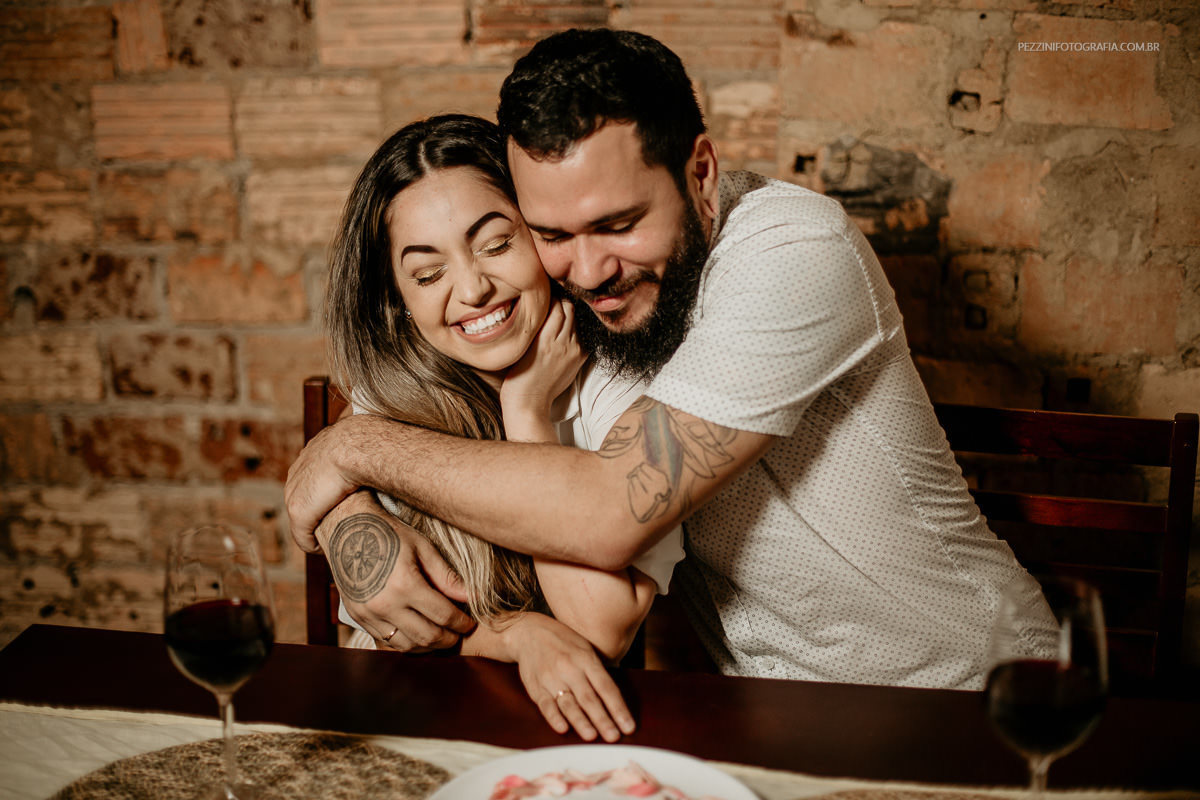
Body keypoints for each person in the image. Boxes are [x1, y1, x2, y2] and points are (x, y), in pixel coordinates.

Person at [287, 29, 1054, 690]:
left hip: (969, 687)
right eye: (552, 235)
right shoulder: (591, 318)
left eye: (618, 223)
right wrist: (349, 503)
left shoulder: (792, 251)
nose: (587, 272)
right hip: (769, 708)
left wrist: (347, 450)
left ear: (702, 172)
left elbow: (607, 512)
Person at [317, 112, 683, 741]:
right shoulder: (385, 406)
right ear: (395, 299)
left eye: (495, 244)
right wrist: (521, 635)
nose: (473, 288)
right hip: (409, 720)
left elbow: (602, 627)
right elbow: (395, 623)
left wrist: (526, 412)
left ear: (542, 236)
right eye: (428, 273)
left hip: (568, 735)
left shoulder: (622, 389)